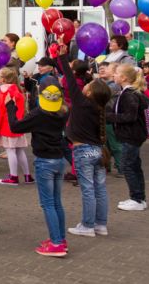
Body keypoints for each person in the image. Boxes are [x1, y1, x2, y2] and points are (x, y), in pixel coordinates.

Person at [4, 76, 69, 257]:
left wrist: (10, 106)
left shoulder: (39, 115)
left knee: (48, 203)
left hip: (45, 161)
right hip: (58, 159)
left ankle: (56, 243)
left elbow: (15, 127)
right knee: (56, 202)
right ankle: (60, 238)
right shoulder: (64, 111)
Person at [55, 45, 112, 237]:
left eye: (89, 85)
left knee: (88, 189)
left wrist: (62, 56)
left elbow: (70, 79)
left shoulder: (81, 103)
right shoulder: (99, 108)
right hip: (98, 151)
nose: (86, 85)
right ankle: (101, 224)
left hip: (83, 151)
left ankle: (87, 226)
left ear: (89, 93)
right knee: (100, 188)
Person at [108, 64, 149, 211]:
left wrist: (109, 117)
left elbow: (129, 116)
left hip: (130, 135)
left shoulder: (129, 94)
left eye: (116, 73)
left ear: (124, 77)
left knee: (128, 166)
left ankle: (136, 199)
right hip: (132, 135)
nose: (114, 75)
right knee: (134, 166)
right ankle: (139, 198)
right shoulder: (128, 92)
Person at [0, 67, 32, 185]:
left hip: (7, 126)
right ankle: (27, 176)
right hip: (19, 125)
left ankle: (14, 176)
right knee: (20, 150)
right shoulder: (18, 91)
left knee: (10, 151)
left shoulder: (2, 93)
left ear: (3, 79)